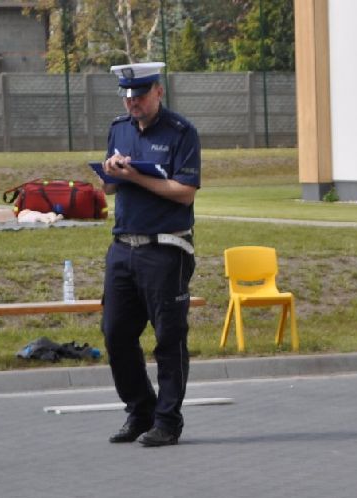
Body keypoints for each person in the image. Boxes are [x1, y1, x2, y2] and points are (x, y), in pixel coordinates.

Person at [98, 62, 201, 448]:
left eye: (139, 97)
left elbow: (185, 191)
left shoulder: (181, 132)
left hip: (166, 248)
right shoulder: (118, 129)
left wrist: (136, 176)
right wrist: (110, 172)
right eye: (127, 98)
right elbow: (110, 189)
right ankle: (140, 409)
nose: (133, 105)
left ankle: (167, 420)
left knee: (169, 338)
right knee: (116, 333)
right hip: (123, 246)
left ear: (158, 91)